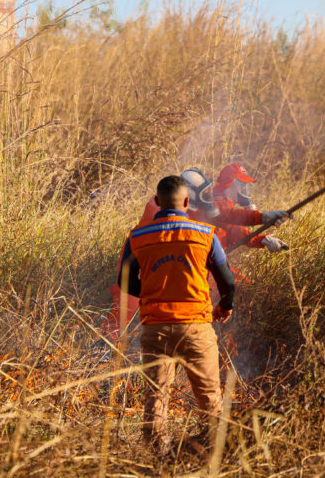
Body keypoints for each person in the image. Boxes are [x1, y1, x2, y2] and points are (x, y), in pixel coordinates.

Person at [117, 175, 235, 453]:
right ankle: (214, 454)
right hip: (197, 327)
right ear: (186, 201)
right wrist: (225, 305)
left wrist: (151, 292)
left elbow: (125, 282)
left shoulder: (137, 236)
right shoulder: (205, 234)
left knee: (156, 397)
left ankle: (157, 457)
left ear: (157, 201)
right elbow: (227, 281)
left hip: (155, 328)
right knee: (210, 397)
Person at [104, 166, 288, 339]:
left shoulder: (195, 205)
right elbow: (152, 247)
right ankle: (105, 347)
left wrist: (262, 223)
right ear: (187, 199)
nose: (209, 198)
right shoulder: (158, 210)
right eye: (204, 194)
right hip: (142, 262)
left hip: (174, 265)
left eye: (208, 192)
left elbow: (227, 221)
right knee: (125, 310)